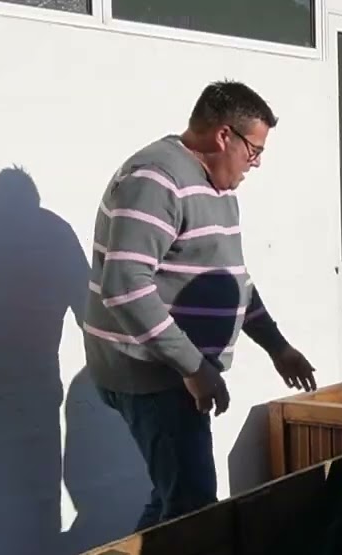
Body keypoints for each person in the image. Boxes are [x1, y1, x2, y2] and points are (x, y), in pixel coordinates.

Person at [83, 80, 317, 529]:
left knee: (176, 498)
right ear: (223, 135)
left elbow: (234, 280)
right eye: (254, 150)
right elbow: (124, 287)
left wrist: (277, 347)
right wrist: (194, 367)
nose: (257, 163)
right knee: (190, 511)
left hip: (178, 372)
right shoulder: (156, 179)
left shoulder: (219, 189)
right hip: (153, 374)